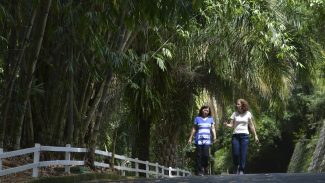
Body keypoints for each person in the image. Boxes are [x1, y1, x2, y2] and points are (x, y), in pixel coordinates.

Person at [223, 98, 259, 175]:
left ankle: (242, 169)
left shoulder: (248, 114)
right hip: (235, 135)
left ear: (243, 105)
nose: (237, 105)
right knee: (235, 153)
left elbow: (251, 126)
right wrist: (227, 125)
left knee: (243, 153)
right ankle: (236, 167)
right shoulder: (234, 114)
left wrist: (255, 136)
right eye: (237, 104)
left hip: (245, 136)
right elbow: (231, 125)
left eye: (238, 104)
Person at [188, 105, 217, 176]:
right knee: (199, 155)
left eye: (207, 110)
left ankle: (205, 167)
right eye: (204, 110)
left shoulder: (211, 119)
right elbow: (194, 128)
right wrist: (190, 138)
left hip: (207, 140)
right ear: (201, 110)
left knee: (206, 155)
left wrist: (215, 137)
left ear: (209, 112)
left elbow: (213, 128)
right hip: (198, 139)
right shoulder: (197, 118)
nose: (206, 111)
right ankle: (200, 171)